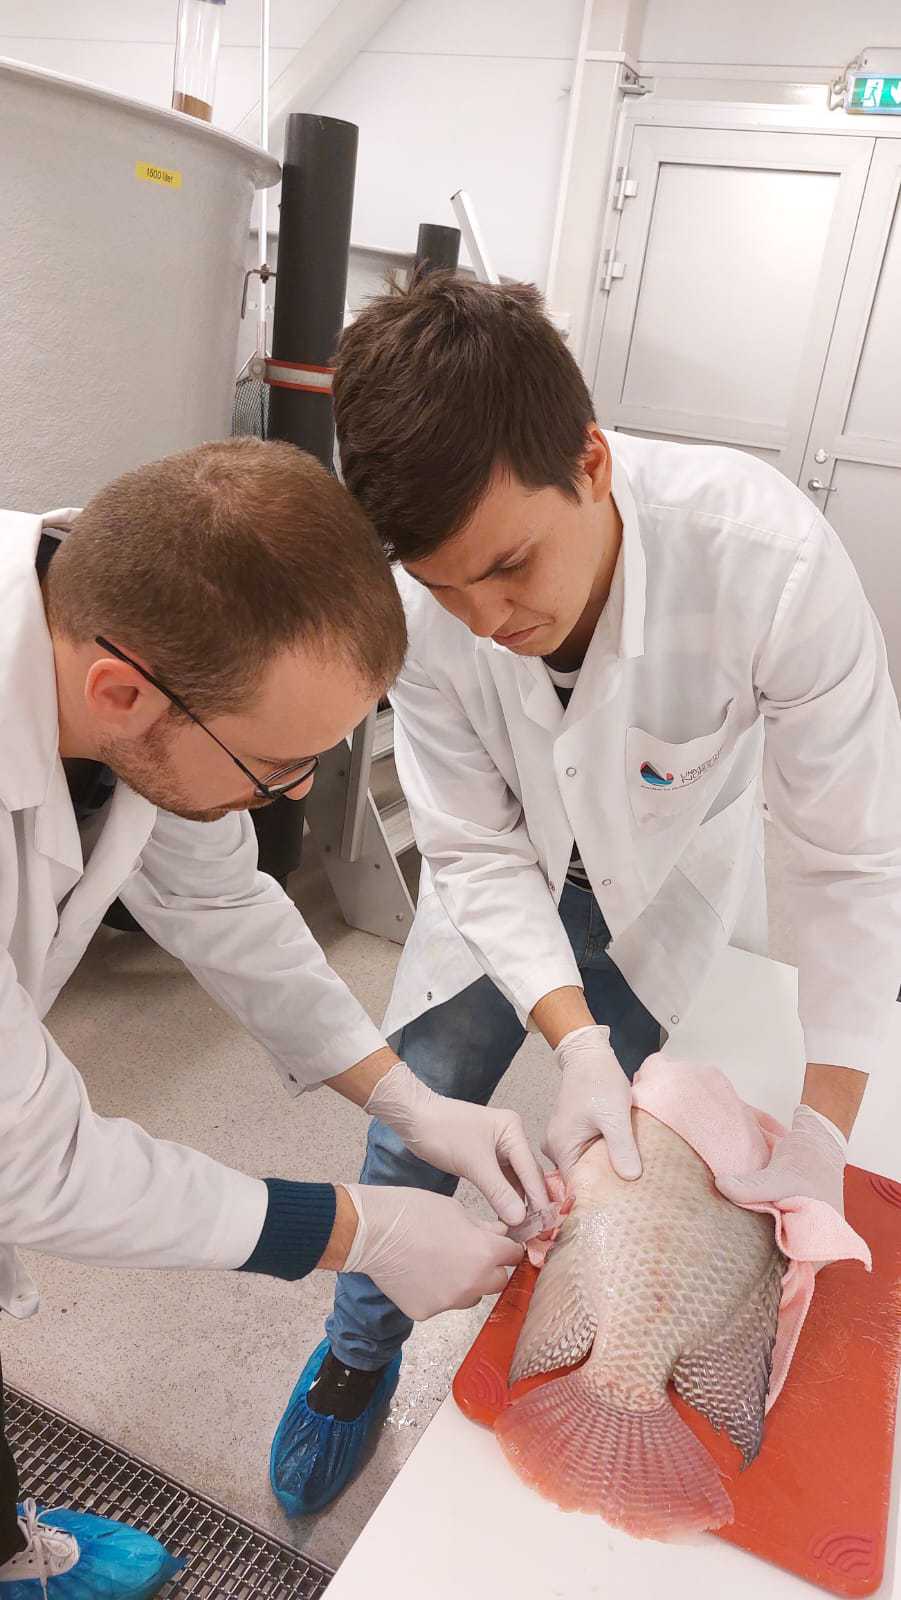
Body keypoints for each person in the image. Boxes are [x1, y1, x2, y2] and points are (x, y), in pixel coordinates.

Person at [278, 273, 901, 1511]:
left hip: (658, 891)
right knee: (417, 1117)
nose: (485, 618)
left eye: (508, 566)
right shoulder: (424, 609)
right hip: (500, 884)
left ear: (592, 461)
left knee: (628, 1167)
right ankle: (357, 1351)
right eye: (447, 587)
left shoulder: (769, 562)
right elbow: (470, 845)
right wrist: (570, 1044)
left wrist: (824, 1126)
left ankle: (604, 1341)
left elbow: (847, 858)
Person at [0, 437, 548, 1595]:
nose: (294, 792)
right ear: (120, 695)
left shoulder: (117, 626)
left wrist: (408, 1099)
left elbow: (213, 895)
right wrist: (364, 1230)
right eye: (274, 766)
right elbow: (34, 1167)